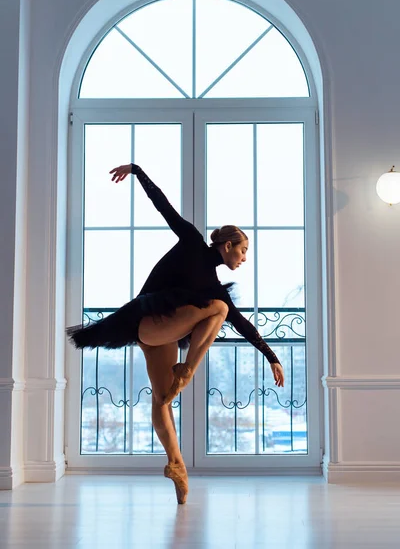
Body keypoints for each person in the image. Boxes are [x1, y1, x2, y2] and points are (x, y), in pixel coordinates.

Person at [68, 163, 284, 504]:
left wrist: (271, 356)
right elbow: (163, 206)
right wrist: (138, 172)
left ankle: (176, 465)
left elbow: (245, 325)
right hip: (148, 320)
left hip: (157, 336)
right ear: (227, 245)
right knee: (221, 309)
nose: (243, 259)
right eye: (242, 251)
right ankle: (187, 370)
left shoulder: (215, 285)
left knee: (161, 400)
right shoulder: (191, 243)